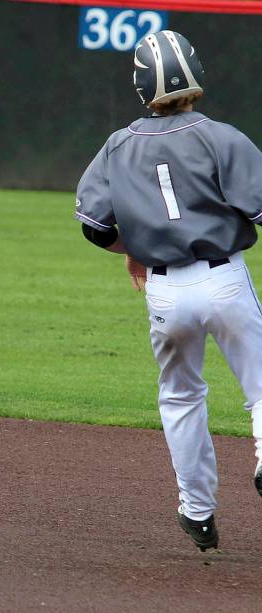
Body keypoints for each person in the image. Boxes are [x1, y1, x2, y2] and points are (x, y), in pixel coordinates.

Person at [75, 30, 262, 552]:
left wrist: (135, 248)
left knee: (181, 397)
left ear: (141, 87)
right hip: (223, 277)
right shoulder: (220, 136)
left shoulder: (118, 145)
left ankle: (197, 511)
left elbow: (95, 226)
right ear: (196, 74)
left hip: (164, 291)